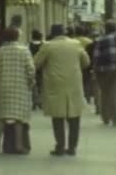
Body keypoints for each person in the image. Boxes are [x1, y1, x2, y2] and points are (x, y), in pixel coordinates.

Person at [34, 24, 90, 156]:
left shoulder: (48, 46)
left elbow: (36, 63)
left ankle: (60, 146)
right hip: (73, 83)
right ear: (64, 32)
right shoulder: (76, 44)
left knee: (57, 117)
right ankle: (72, 147)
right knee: (74, 117)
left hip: (55, 84)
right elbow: (86, 62)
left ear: (52, 33)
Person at [0, 27, 36, 155]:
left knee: (2, 117)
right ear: (17, 37)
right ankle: (18, 145)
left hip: (5, 86)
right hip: (20, 87)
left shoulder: (1, 51)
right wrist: (31, 83)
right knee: (18, 118)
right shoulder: (24, 50)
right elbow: (31, 69)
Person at [73, 26, 94, 104]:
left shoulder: (73, 41)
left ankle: (77, 97)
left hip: (75, 63)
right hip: (86, 64)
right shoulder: (89, 41)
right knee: (87, 81)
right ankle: (87, 97)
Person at [29, 30, 44, 110]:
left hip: (32, 66)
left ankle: (35, 101)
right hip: (41, 67)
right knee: (41, 85)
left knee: (33, 85)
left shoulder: (30, 45)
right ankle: (40, 101)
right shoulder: (43, 45)